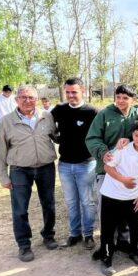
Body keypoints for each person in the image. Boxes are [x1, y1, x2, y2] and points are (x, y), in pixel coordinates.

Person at [0, 85, 58, 262]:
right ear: (16, 100)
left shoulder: (46, 116)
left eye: (31, 97)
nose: (28, 100)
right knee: (20, 209)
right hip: (19, 170)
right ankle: (24, 245)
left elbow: (55, 136)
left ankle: (48, 235)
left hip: (46, 167)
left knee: (49, 204)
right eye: (23, 97)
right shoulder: (6, 122)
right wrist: (3, 176)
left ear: (37, 99)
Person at [93, 120, 138, 276]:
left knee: (136, 228)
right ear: (132, 135)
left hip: (134, 197)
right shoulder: (123, 149)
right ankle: (106, 258)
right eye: (136, 135)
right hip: (111, 195)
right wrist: (123, 180)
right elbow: (108, 167)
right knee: (108, 230)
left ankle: (135, 252)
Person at [86, 85, 138, 251]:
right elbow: (92, 138)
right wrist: (103, 152)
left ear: (132, 99)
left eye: (125, 98)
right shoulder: (104, 114)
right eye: (118, 97)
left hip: (128, 172)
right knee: (106, 211)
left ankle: (123, 241)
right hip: (106, 171)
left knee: (125, 208)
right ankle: (106, 246)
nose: (121, 101)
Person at [51, 78, 98, 249]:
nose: (71, 95)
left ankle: (88, 234)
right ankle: (74, 234)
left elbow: (99, 136)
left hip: (86, 164)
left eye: (74, 92)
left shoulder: (92, 112)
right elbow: (47, 124)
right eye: (68, 92)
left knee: (87, 201)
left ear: (82, 91)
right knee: (71, 202)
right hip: (64, 165)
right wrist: (54, 137)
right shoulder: (59, 109)